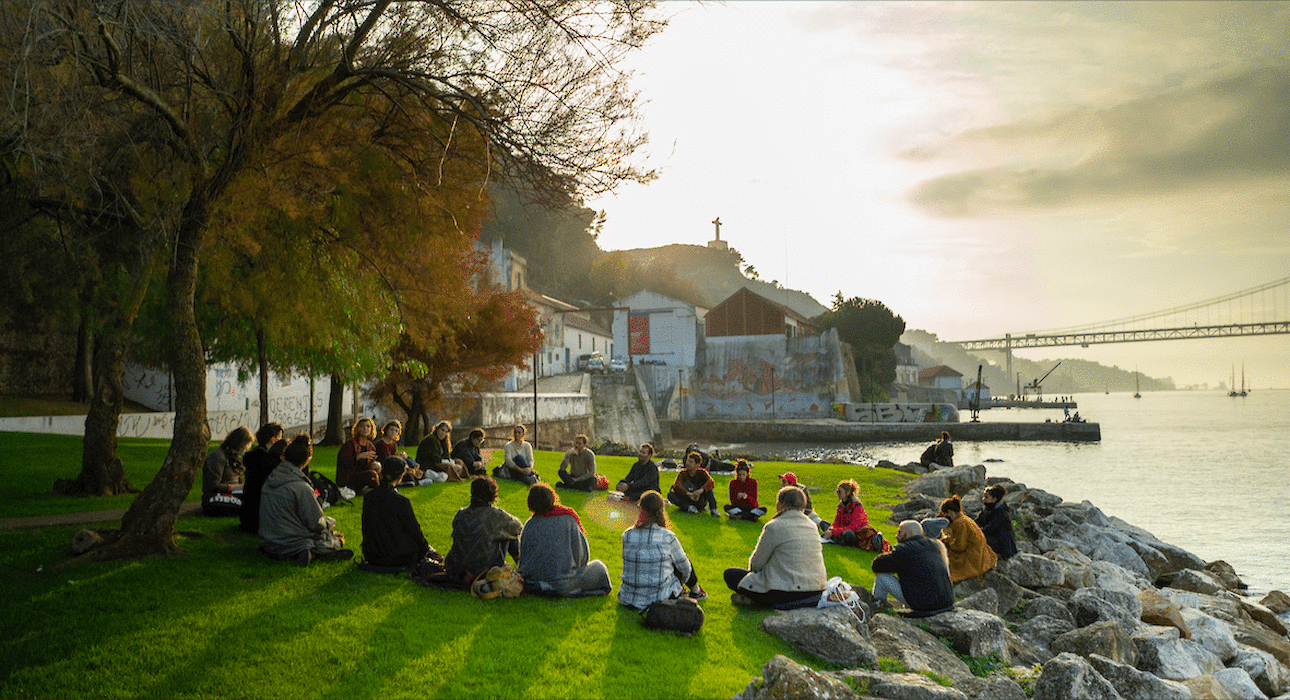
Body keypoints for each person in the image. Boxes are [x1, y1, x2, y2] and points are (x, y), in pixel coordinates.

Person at [723, 486, 827, 608]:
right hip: (815, 590)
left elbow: (756, 565)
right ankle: (754, 601)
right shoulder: (813, 526)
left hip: (784, 592)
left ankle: (757, 601)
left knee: (731, 574)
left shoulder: (775, 526)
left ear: (782, 504)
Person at [259, 435, 353, 566]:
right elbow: (315, 524)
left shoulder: (271, 479)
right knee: (329, 538)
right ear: (307, 459)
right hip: (291, 542)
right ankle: (313, 552)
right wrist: (330, 522)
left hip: (268, 541)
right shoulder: (301, 487)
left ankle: (307, 551)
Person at [517, 483, 612, 597]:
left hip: (532, 582)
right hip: (562, 582)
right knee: (598, 567)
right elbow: (583, 557)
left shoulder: (530, 524)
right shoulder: (568, 520)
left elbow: (523, 558)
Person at [619, 491, 707, 610]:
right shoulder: (668, 537)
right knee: (680, 560)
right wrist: (679, 583)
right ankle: (696, 590)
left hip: (627, 598)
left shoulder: (627, 535)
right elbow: (686, 568)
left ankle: (693, 590)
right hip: (659, 598)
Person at [442, 476, 524, 587]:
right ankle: (521, 567)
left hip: (456, 566)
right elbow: (518, 528)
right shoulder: (497, 516)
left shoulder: (460, 514)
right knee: (509, 534)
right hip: (483, 570)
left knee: (504, 530)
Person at [361, 458, 440, 567]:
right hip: (397, 556)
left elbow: (366, 527)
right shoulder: (401, 501)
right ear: (400, 476)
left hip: (373, 555)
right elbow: (414, 530)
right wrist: (425, 550)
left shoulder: (369, 497)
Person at [870, 520, 954, 617]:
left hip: (923, 605)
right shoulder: (934, 545)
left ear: (909, 533)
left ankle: (879, 610)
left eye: (899, 532)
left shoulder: (905, 549)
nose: (896, 535)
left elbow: (876, 565)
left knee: (881, 577)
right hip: (946, 602)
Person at [239, 422, 284, 534]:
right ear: (273, 439)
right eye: (280, 438)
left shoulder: (252, 456)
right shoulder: (269, 461)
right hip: (261, 517)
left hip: (248, 515)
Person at [939, 495, 996, 583]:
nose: (945, 516)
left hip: (973, 558)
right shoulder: (964, 518)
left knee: (946, 558)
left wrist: (948, 542)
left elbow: (960, 546)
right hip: (982, 553)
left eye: (945, 513)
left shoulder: (959, 523)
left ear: (950, 511)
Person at [202, 426, 253, 516]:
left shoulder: (236, 457)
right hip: (217, 496)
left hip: (234, 493)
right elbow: (212, 486)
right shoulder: (218, 457)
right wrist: (234, 487)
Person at [374, 419, 433, 485]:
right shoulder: (381, 444)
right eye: (391, 430)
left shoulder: (393, 444)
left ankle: (417, 478)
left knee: (411, 465)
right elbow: (387, 459)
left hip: (393, 464)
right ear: (386, 430)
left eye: (396, 431)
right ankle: (417, 482)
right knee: (407, 474)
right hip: (386, 467)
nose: (393, 432)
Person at [336, 417, 381, 494]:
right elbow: (343, 463)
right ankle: (380, 492)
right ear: (358, 429)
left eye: (368, 426)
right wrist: (358, 457)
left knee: (377, 470)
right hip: (349, 478)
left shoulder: (370, 446)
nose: (365, 428)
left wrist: (374, 465)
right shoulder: (350, 445)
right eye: (362, 426)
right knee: (371, 474)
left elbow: (366, 465)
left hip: (362, 475)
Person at [974, 484, 1018, 561]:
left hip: (1003, 545)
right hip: (994, 538)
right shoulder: (988, 509)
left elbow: (990, 528)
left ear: (994, 499)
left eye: (986, 497)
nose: (983, 499)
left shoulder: (1001, 512)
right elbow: (978, 521)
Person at [668, 450, 718, 516]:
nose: (688, 463)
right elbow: (677, 485)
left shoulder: (702, 473)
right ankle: (689, 507)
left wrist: (700, 491)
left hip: (699, 499)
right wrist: (688, 494)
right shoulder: (683, 474)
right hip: (687, 498)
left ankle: (713, 509)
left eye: (691, 462)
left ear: (697, 465)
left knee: (709, 489)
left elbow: (711, 482)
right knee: (671, 495)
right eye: (688, 461)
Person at [827, 479, 874, 547]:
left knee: (848, 533)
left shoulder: (857, 507)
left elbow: (854, 527)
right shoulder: (841, 506)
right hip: (842, 529)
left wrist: (834, 532)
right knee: (824, 524)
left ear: (848, 492)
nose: (838, 494)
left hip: (856, 533)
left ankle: (836, 539)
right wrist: (830, 530)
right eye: (837, 492)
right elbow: (836, 522)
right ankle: (834, 538)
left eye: (840, 492)